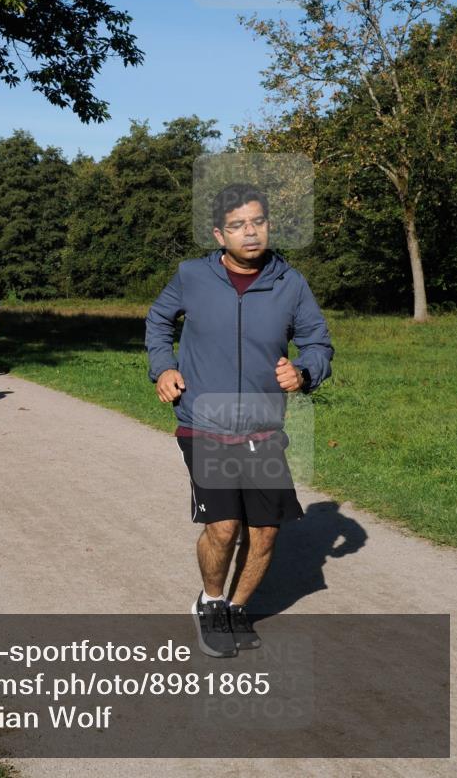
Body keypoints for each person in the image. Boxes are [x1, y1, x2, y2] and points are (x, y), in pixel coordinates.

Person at [145, 182, 333, 658]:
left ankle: (236, 608)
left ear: (268, 226)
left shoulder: (290, 283)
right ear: (218, 233)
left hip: (263, 427)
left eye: (258, 222)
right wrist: (162, 367)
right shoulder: (191, 275)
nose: (250, 232)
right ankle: (210, 603)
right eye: (237, 226)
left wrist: (305, 370)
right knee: (225, 527)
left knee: (266, 532)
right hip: (203, 422)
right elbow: (158, 320)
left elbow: (317, 342)